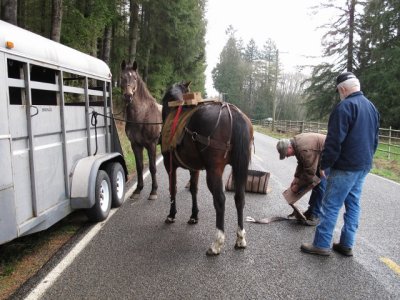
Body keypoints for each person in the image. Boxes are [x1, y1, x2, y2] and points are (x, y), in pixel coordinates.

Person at [301, 71, 380, 257]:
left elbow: (334, 141)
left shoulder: (344, 107)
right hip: (363, 165)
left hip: (345, 167)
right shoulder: (371, 107)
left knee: (331, 205)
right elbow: (375, 139)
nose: (339, 94)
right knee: (353, 204)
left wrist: (324, 165)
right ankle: (346, 244)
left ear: (343, 89)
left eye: (339, 91)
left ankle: (321, 244)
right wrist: (367, 159)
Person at [276, 133, 326, 226]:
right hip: (320, 154)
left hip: (330, 154)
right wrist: (296, 177)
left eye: (285, 154)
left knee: (320, 186)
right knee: (316, 184)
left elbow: (309, 173)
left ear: (289, 148)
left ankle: (315, 215)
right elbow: (301, 163)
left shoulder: (303, 149)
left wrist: (298, 186)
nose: (286, 156)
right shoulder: (296, 144)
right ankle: (311, 210)